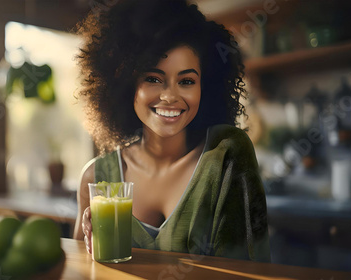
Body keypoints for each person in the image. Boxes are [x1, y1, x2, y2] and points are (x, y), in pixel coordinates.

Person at [73, 0, 270, 262]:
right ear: (124, 84)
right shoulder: (95, 176)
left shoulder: (226, 154)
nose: (170, 96)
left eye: (186, 81)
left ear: (206, 86)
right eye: (153, 79)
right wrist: (91, 246)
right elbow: (79, 269)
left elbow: (246, 269)